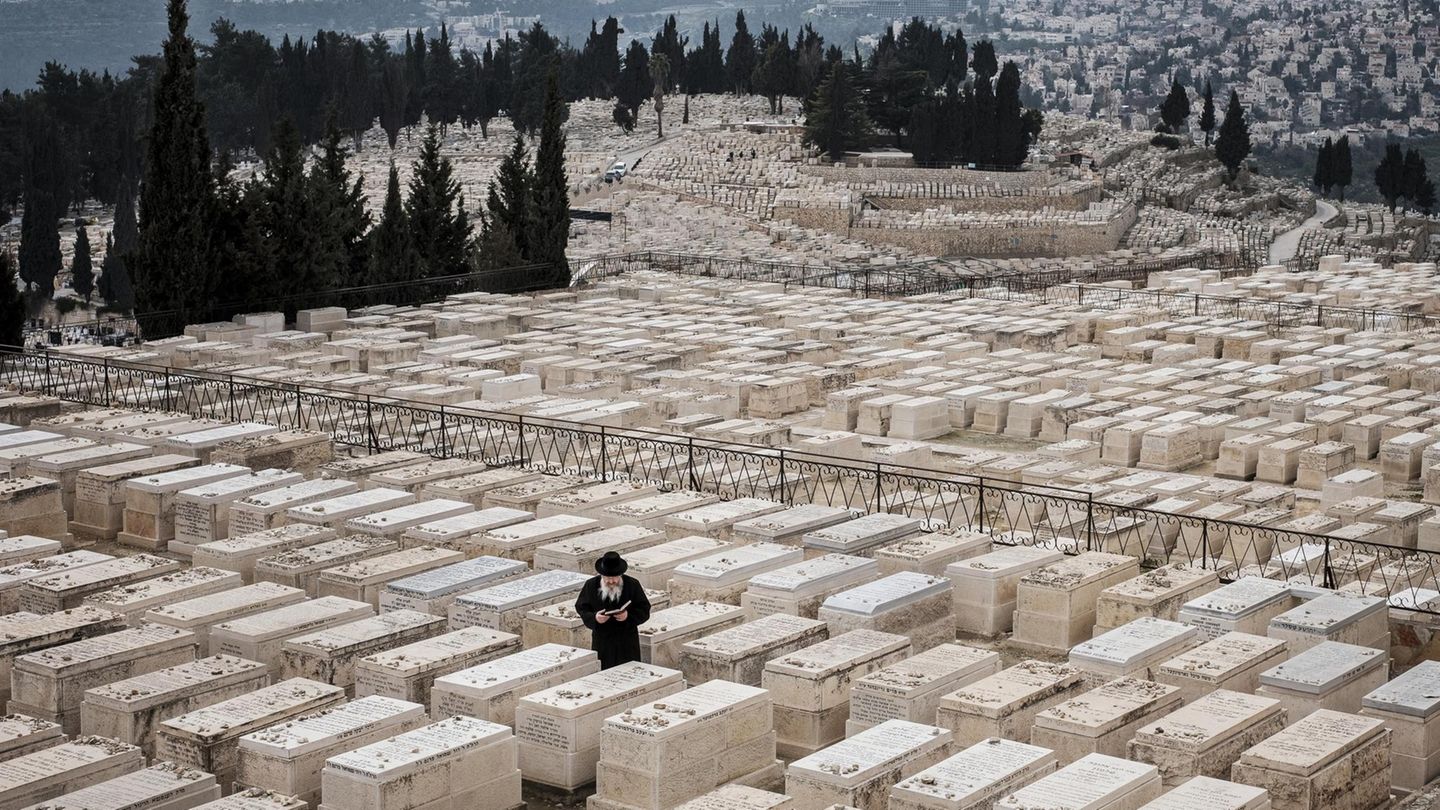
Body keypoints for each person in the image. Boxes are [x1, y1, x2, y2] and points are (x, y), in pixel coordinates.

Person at [574, 551, 651, 669]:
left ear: (620, 575)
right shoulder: (591, 585)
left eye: (614, 578)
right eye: (608, 578)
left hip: (627, 640)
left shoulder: (632, 584)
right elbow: (582, 608)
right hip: (603, 640)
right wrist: (595, 618)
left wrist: (628, 616)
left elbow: (644, 609)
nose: (611, 581)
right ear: (602, 575)